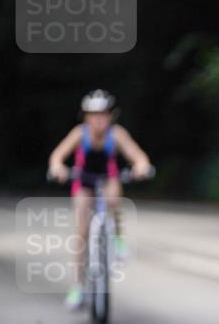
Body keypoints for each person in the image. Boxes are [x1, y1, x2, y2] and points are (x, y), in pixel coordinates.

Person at [47, 90, 153, 310]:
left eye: (104, 114)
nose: (99, 119)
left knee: (114, 195)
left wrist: (141, 166)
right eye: (94, 115)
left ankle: (118, 241)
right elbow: (57, 155)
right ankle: (78, 286)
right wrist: (57, 168)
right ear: (86, 117)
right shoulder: (79, 134)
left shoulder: (117, 134)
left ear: (111, 116)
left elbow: (137, 155)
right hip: (83, 181)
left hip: (108, 179)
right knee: (81, 232)